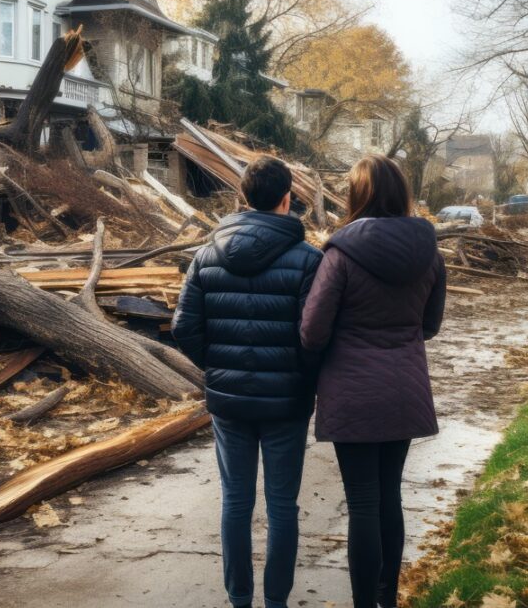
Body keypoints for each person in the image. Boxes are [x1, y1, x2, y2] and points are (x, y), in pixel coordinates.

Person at [171, 156, 323, 608]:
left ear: (242, 198)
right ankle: (276, 600)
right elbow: (313, 335)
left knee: (235, 502)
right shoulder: (309, 259)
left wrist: (216, 364)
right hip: (286, 403)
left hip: (229, 402)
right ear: (287, 199)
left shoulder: (206, 254)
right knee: (282, 507)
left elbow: (183, 327)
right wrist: (303, 378)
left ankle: (239, 597)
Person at [300, 155, 446, 608]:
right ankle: (388, 599)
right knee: (389, 497)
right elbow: (431, 323)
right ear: (400, 193)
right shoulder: (429, 252)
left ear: (356, 195)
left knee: (362, 503)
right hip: (404, 389)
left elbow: (312, 331)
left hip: (353, 392)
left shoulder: (340, 254)